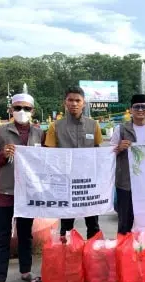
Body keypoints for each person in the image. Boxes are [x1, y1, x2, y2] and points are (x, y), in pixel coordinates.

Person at [0, 93, 45, 282]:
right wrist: (1, 155)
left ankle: (26, 271)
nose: (21, 112)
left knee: (26, 234)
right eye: (17, 108)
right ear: (10, 110)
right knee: (2, 237)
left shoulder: (39, 133)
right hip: (5, 192)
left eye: (26, 108)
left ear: (32, 111)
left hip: (28, 193)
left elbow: (49, 158)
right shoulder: (0, 132)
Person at [44, 86, 103, 240]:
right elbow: (49, 155)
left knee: (93, 225)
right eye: (70, 100)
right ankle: (68, 258)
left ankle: (93, 256)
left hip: (88, 185)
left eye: (78, 100)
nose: (74, 103)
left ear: (84, 103)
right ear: (65, 102)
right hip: (66, 185)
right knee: (66, 227)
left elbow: (99, 151)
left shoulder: (93, 125)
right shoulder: (55, 126)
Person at [110, 94, 145, 234]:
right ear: (131, 110)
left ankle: (143, 250)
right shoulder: (121, 129)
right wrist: (118, 147)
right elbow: (109, 153)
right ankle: (123, 251)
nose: (140, 110)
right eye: (136, 107)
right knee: (125, 222)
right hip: (125, 183)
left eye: (143, 107)